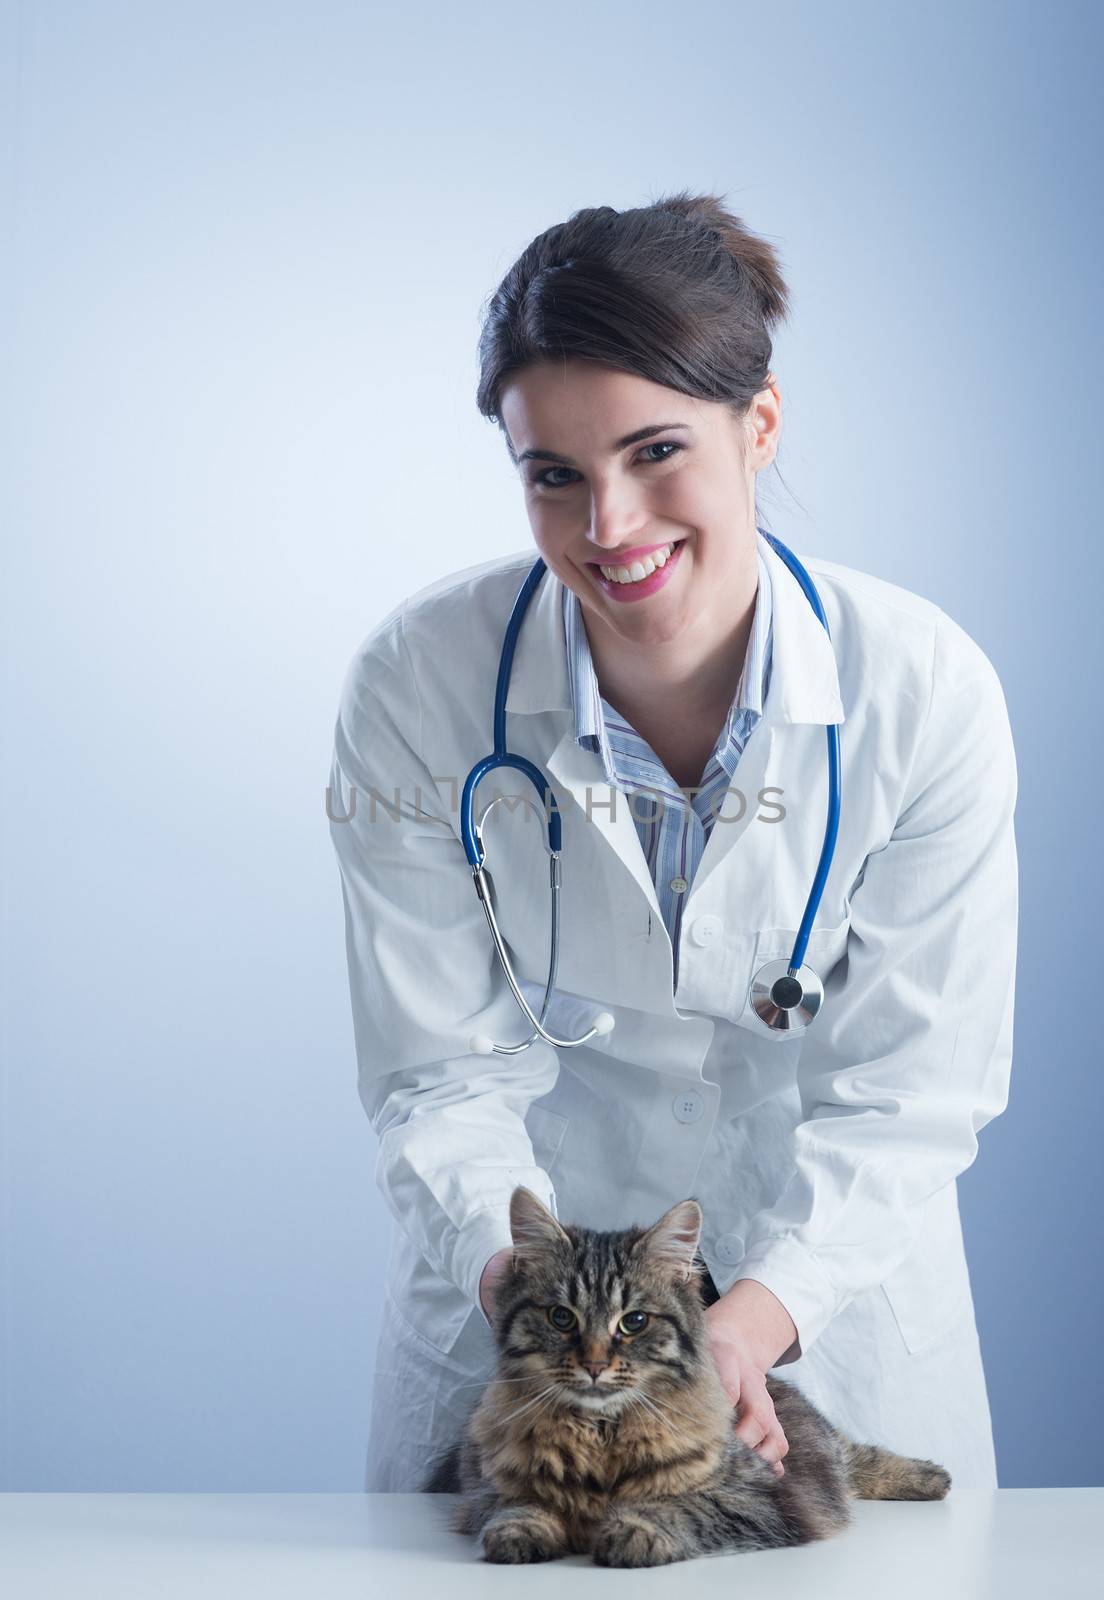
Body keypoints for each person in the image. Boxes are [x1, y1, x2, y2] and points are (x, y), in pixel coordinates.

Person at [326, 191, 1018, 1495]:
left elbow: (912, 1096)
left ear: (759, 426)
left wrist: (743, 1329)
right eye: (555, 476)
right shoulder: (421, 685)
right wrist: (526, 1294)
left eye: (656, 453)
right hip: (528, 1360)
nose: (610, 527)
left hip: (836, 1342)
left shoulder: (923, 690)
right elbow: (436, 1075)